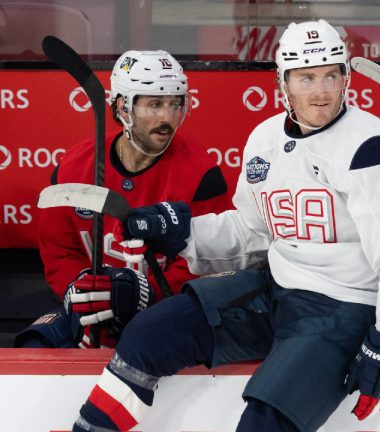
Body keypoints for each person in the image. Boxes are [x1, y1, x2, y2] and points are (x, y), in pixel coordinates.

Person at [71, 19, 380, 432]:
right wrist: (182, 232)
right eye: (306, 78)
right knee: (153, 331)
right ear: (283, 83)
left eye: (330, 75)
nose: (320, 91)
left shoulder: (372, 148)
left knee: (264, 424)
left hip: (346, 308)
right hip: (278, 291)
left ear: (345, 79)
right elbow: (252, 230)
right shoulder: (265, 140)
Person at [15, 50, 230, 349]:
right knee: (35, 346)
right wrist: (83, 294)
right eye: (154, 105)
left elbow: (209, 259)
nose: (167, 118)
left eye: (174, 104)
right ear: (123, 108)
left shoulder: (201, 175)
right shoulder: (74, 167)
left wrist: (143, 293)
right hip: (88, 305)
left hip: (166, 306)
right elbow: (59, 250)